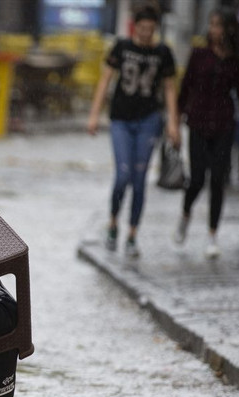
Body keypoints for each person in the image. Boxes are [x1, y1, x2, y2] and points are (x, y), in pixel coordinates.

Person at [87, 1, 179, 259]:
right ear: (134, 28)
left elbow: (170, 88)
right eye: (142, 29)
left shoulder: (163, 53)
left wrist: (173, 122)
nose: (146, 34)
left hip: (149, 120)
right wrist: (94, 115)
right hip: (121, 120)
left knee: (139, 181)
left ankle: (132, 234)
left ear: (155, 29)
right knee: (123, 175)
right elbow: (105, 80)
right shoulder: (122, 47)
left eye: (150, 29)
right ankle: (113, 222)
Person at [174, 8, 239, 258]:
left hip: (224, 125)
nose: (215, 30)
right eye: (212, 25)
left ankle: (212, 235)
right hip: (198, 123)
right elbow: (185, 90)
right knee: (197, 179)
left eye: (219, 25)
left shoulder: (235, 61)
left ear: (228, 29)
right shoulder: (199, 55)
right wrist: (174, 124)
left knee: (217, 181)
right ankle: (185, 213)